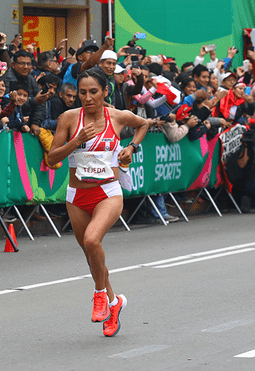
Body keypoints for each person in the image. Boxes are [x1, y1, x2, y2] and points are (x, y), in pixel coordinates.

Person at [48, 69, 149, 337]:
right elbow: (51, 159)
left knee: (93, 241)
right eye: (83, 92)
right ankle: (114, 305)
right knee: (92, 256)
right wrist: (76, 142)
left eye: (94, 92)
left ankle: (100, 294)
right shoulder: (69, 118)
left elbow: (143, 124)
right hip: (77, 196)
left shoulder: (116, 116)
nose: (88, 97)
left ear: (105, 92)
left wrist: (132, 148)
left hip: (107, 192)